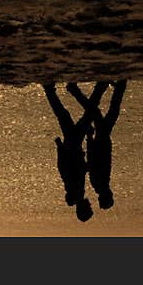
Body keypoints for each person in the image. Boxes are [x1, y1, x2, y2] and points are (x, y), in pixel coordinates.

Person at [43, 82, 108, 222]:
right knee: (67, 115)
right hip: (73, 144)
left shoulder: (76, 191)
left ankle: (99, 86)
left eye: (89, 208)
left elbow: (66, 169)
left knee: (87, 114)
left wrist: (60, 148)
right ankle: (52, 89)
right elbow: (73, 170)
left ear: (83, 208)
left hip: (72, 144)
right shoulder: (77, 192)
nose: (90, 205)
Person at [67, 81, 127, 210]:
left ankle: (119, 84)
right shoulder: (101, 184)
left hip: (101, 140)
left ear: (107, 196)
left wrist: (89, 138)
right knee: (100, 111)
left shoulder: (99, 183)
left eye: (110, 197)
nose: (112, 194)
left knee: (103, 111)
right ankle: (112, 85)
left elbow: (93, 160)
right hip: (102, 140)